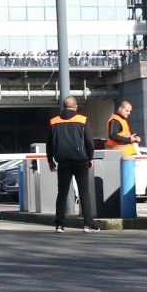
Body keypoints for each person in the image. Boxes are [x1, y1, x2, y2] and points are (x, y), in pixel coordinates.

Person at [47, 96, 101, 234]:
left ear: (63, 107)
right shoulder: (83, 120)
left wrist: (50, 160)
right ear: (76, 107)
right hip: (80, 161)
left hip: (63, 162)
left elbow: (50, 143)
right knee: (84, 192)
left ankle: (60, 225)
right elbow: (89, 141)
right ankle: (88, 224)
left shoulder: (54, 121)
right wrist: (90, 157)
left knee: (62, 193)